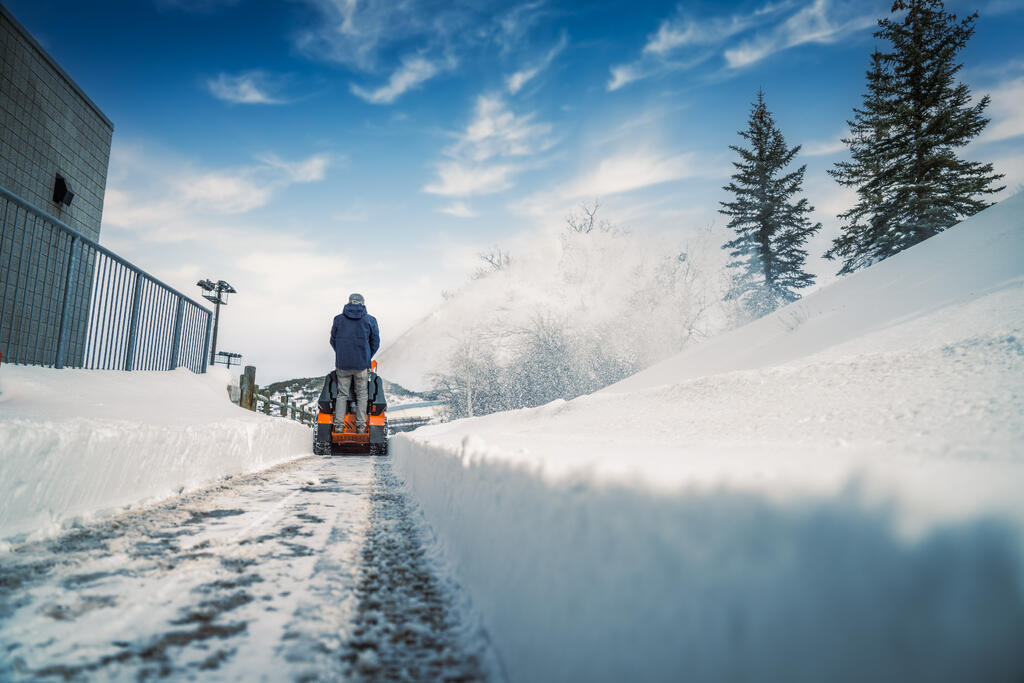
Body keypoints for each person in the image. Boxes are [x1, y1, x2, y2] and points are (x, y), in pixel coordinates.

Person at [329, 293, 380, 433]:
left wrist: (342, 355)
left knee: (342, 394)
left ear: (349, 302)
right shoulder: (370, 320)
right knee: (362, 394)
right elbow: (375, 342)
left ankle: (338, 427)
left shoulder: (338, 319)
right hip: (361, 365)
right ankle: (360, 427)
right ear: (363, 304)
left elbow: (333, 341)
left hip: (342, 365)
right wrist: (366, 357)